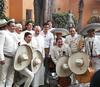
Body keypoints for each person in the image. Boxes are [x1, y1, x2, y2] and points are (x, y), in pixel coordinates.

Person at [0, 19, 19, 87]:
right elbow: (0, 46)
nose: (14, 27)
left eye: (14, 26)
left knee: (11, 76)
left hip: (13, 58)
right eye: (12, 26)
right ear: (7, 26)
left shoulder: (15, 34)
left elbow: (18, 44)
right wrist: (1, 58)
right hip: (5, 58)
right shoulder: (3, 33)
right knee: (3, 77)